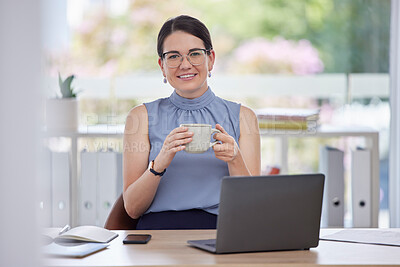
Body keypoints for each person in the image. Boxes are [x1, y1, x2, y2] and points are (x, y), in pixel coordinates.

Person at [123, 15, 260, 230]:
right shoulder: (140, 117)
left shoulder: (244, 117)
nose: (185, 65)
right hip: (158, 236)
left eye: (195, 54)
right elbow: (132, 209)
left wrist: (235, 159)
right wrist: (159, 164)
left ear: (211, 59)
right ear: (162, 65)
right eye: (174, 56)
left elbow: (252, 209)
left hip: (223, 233)